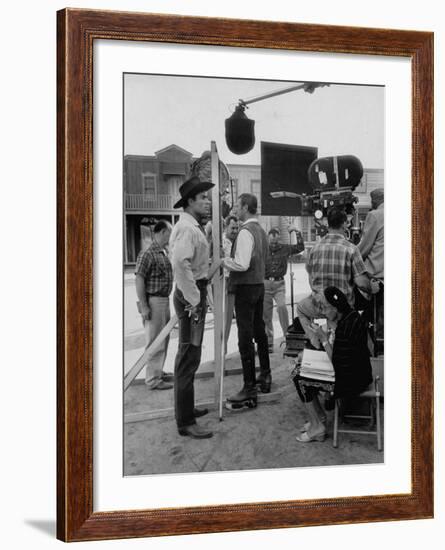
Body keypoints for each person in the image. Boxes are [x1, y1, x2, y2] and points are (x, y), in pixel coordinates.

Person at [170, 176, 220, 439]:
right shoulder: (188, 229)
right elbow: (180, 263)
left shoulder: (191, 226)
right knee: (188, 358)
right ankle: (185, 421)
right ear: (190, 202)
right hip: (191, 296)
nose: (207, 202)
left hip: (194, 292)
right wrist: (194, 299)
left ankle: (186, 409)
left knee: (191, 355)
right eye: (202, 198)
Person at [294, 286, 373, 443]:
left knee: (299, 378)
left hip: (352, 382)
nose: (322, 311)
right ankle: (320, 418)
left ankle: (317, 427)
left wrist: (323, 338)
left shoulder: (345, 326)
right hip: (359, 373)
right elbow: (341, 355)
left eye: (325, 307)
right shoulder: (350, 316)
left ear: (336, 307)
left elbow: (336, 361)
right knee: (300, 368)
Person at [221, 193, 271, 404]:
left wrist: (223, 261)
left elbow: (241, 264)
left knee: (245, 337)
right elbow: (263, 259)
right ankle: (265, 375)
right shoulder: (261, 230)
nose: (235, 209)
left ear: (246, 207)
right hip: (259, 285)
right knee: (259, 331)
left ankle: (249, 387)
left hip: (245, 287)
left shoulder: (245, 232)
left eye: (238, 206)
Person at [297, 208, 371, 349]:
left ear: (328, 224)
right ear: (344, 224)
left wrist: (319, 294)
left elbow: (311, 279)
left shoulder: (314, 248)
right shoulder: (351, 249)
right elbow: (361, 283)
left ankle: (316, 341)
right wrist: (371, 287)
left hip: (319, 306)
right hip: (341, 310)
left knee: (301, 308)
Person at [135, 220, 173, 390]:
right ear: (163, 232)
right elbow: (139, 279)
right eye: (169, 233)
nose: (170, 237)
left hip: (164, 300)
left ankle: (158, 371)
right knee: (155, 340)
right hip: (154, 300)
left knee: (164, 338)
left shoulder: (163, 252)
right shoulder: (148, 253)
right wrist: (144, 306)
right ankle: (152, 379)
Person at [263, 227, 305, 352]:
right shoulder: (263, 248)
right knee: (266, 315)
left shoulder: (285, 248)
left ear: (279, 239)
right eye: (271, 242)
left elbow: (300, 247)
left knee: (282, 308)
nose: (274, 245)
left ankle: (288, 337)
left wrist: (297, 232)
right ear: (268, 239)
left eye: (276, 242)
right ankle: (269, 342)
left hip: (279, 283)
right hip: (265, 283)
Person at [358, 188, 384, 344]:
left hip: (376, 276)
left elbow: (364, 248)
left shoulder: (374, 215)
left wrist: (350, 254)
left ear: (375, 201)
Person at [222, 215, 239, 351]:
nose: (235, 231)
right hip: (225, 283)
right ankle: (223, 347)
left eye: (237, 228)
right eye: (232, 228)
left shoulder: (238, 241)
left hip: (238, 282)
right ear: (226, 227)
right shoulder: (221, 243)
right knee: (226, 318)